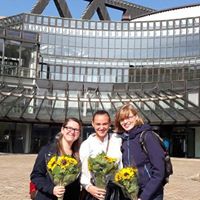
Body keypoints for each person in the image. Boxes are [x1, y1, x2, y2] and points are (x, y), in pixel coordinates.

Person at [114, 103, 165, 200]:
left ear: (136, 117)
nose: (125, 121)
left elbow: (159, 171)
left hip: (151, 194)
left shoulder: (147, 136)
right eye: (122, 119)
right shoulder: (124, 139)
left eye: (128, 117)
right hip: (132, 192)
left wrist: (144, 196)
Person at [30, 117, 82, 200]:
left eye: (76, 130)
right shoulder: (47, 150)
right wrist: (52, 189)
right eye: (69, 128)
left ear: (79, 133)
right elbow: (36, 176)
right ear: (62, 129)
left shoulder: (80, 154)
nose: (72, 132)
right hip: (47, 197)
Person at [79, 110, 123, 200]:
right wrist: (88, 187)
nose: (101, 127)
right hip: (94, 192)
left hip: (115, 192)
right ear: (93, 124)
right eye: (98, 124)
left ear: (109, 123)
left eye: (105, 124)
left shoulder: (118, 140)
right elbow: (84, 172)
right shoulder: (86, 145)